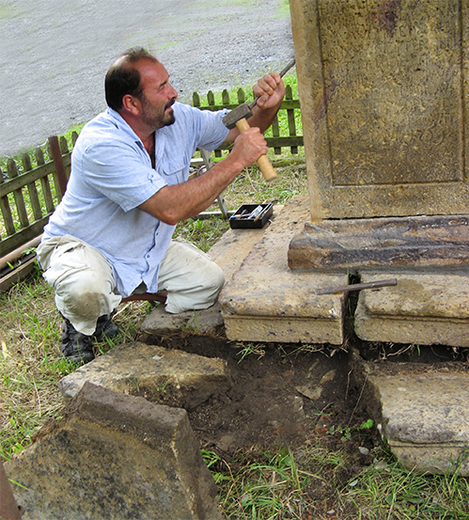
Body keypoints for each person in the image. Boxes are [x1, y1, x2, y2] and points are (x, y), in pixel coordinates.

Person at [37, 47, 286, 364]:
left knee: (207, 284)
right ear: (132, 103)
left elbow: (234, 126)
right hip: (84, 247)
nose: (173, 92)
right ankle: (79, 322)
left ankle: (110, 297)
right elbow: (170, 209)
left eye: (169, 82)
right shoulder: (101, 144)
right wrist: (236, 161)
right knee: (85, 289)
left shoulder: (177, 118)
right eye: (162, 87)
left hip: (140, 246)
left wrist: (269, 106)